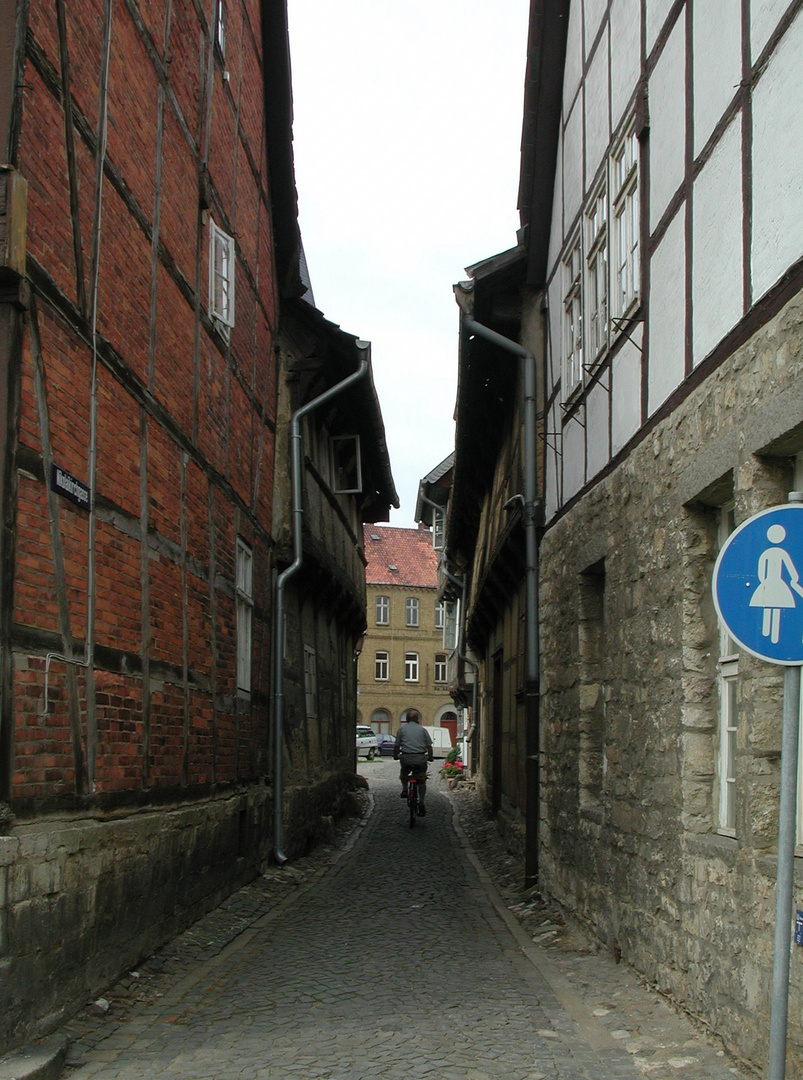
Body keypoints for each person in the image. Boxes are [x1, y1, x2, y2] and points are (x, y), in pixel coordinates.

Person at [393, 710, 433, 815]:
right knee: (422, 779)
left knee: (404, 772)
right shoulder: (423, 730)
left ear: (406, 719)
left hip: (406, 757)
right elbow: (429, 746)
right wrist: (430, 757)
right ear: (417, 719)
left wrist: (395, 756)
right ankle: (421, 802)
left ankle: (405, 789)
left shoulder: (401, 729)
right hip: (420, 758)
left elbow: (397, 746)